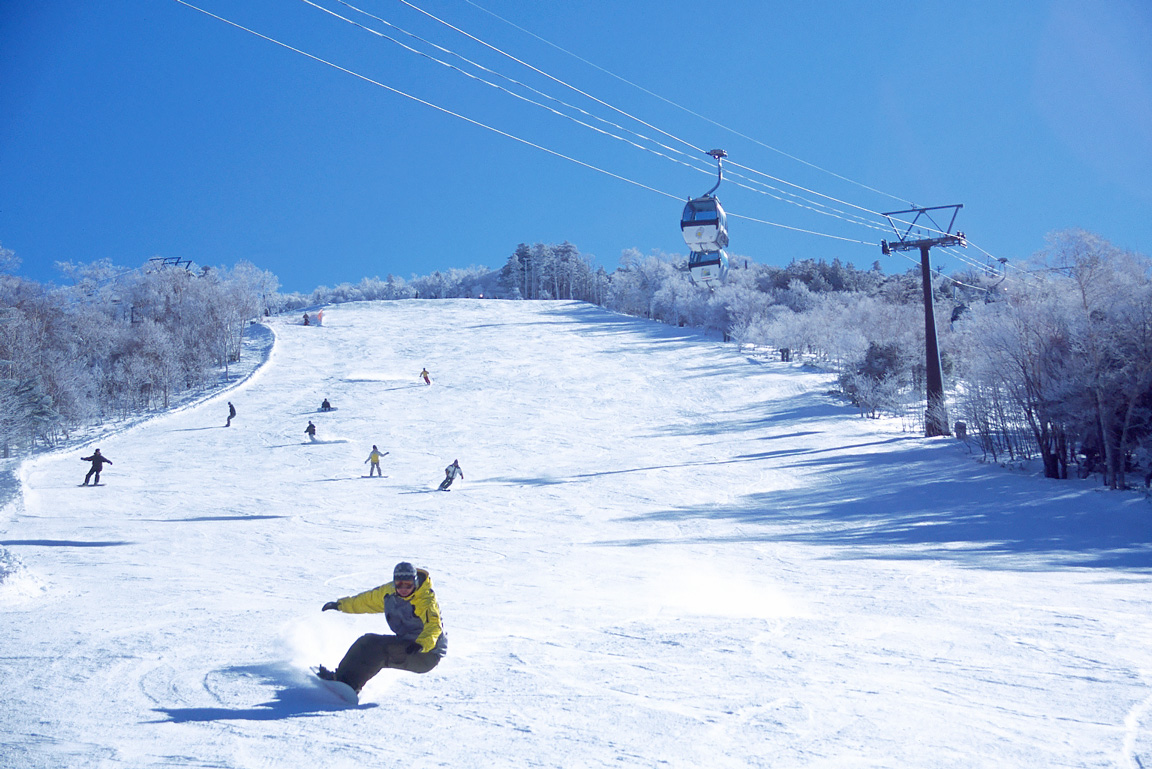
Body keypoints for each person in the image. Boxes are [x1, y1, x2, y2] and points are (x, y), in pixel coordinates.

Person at [318, 561, 447, 694]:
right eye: (399, 584)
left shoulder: (425, 600)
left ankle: (350, 686)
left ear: (415, 582)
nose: (403, 588)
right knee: (367, 641)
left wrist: (421, 644)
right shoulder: (390, 593)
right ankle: (339, 679)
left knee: (380, 650)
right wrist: (340, 605)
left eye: (408, 585)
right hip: (407, 643)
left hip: (426, 653)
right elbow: (367, 601)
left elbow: (434, 627)